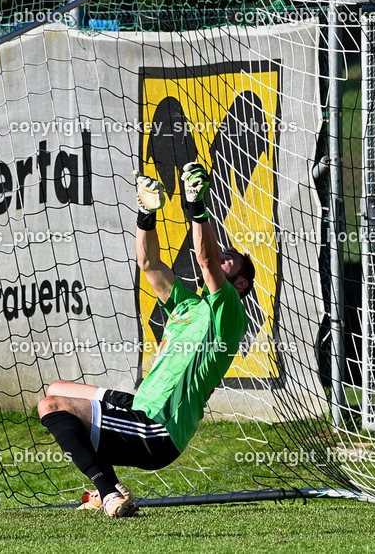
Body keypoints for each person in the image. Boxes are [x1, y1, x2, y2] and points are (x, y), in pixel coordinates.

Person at [38, 161, 255, 517]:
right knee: (56, 388)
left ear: (241, 284)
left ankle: (108, 491)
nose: (223, 257)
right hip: (140, 411)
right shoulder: (188, 305)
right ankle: (110, 482)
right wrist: (145, 213)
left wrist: (196, 205)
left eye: (230, 260)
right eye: (224, 254)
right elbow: (149, 263)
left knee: (51, 406)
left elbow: (206, 259)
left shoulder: (229, 311)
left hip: (158, 430)